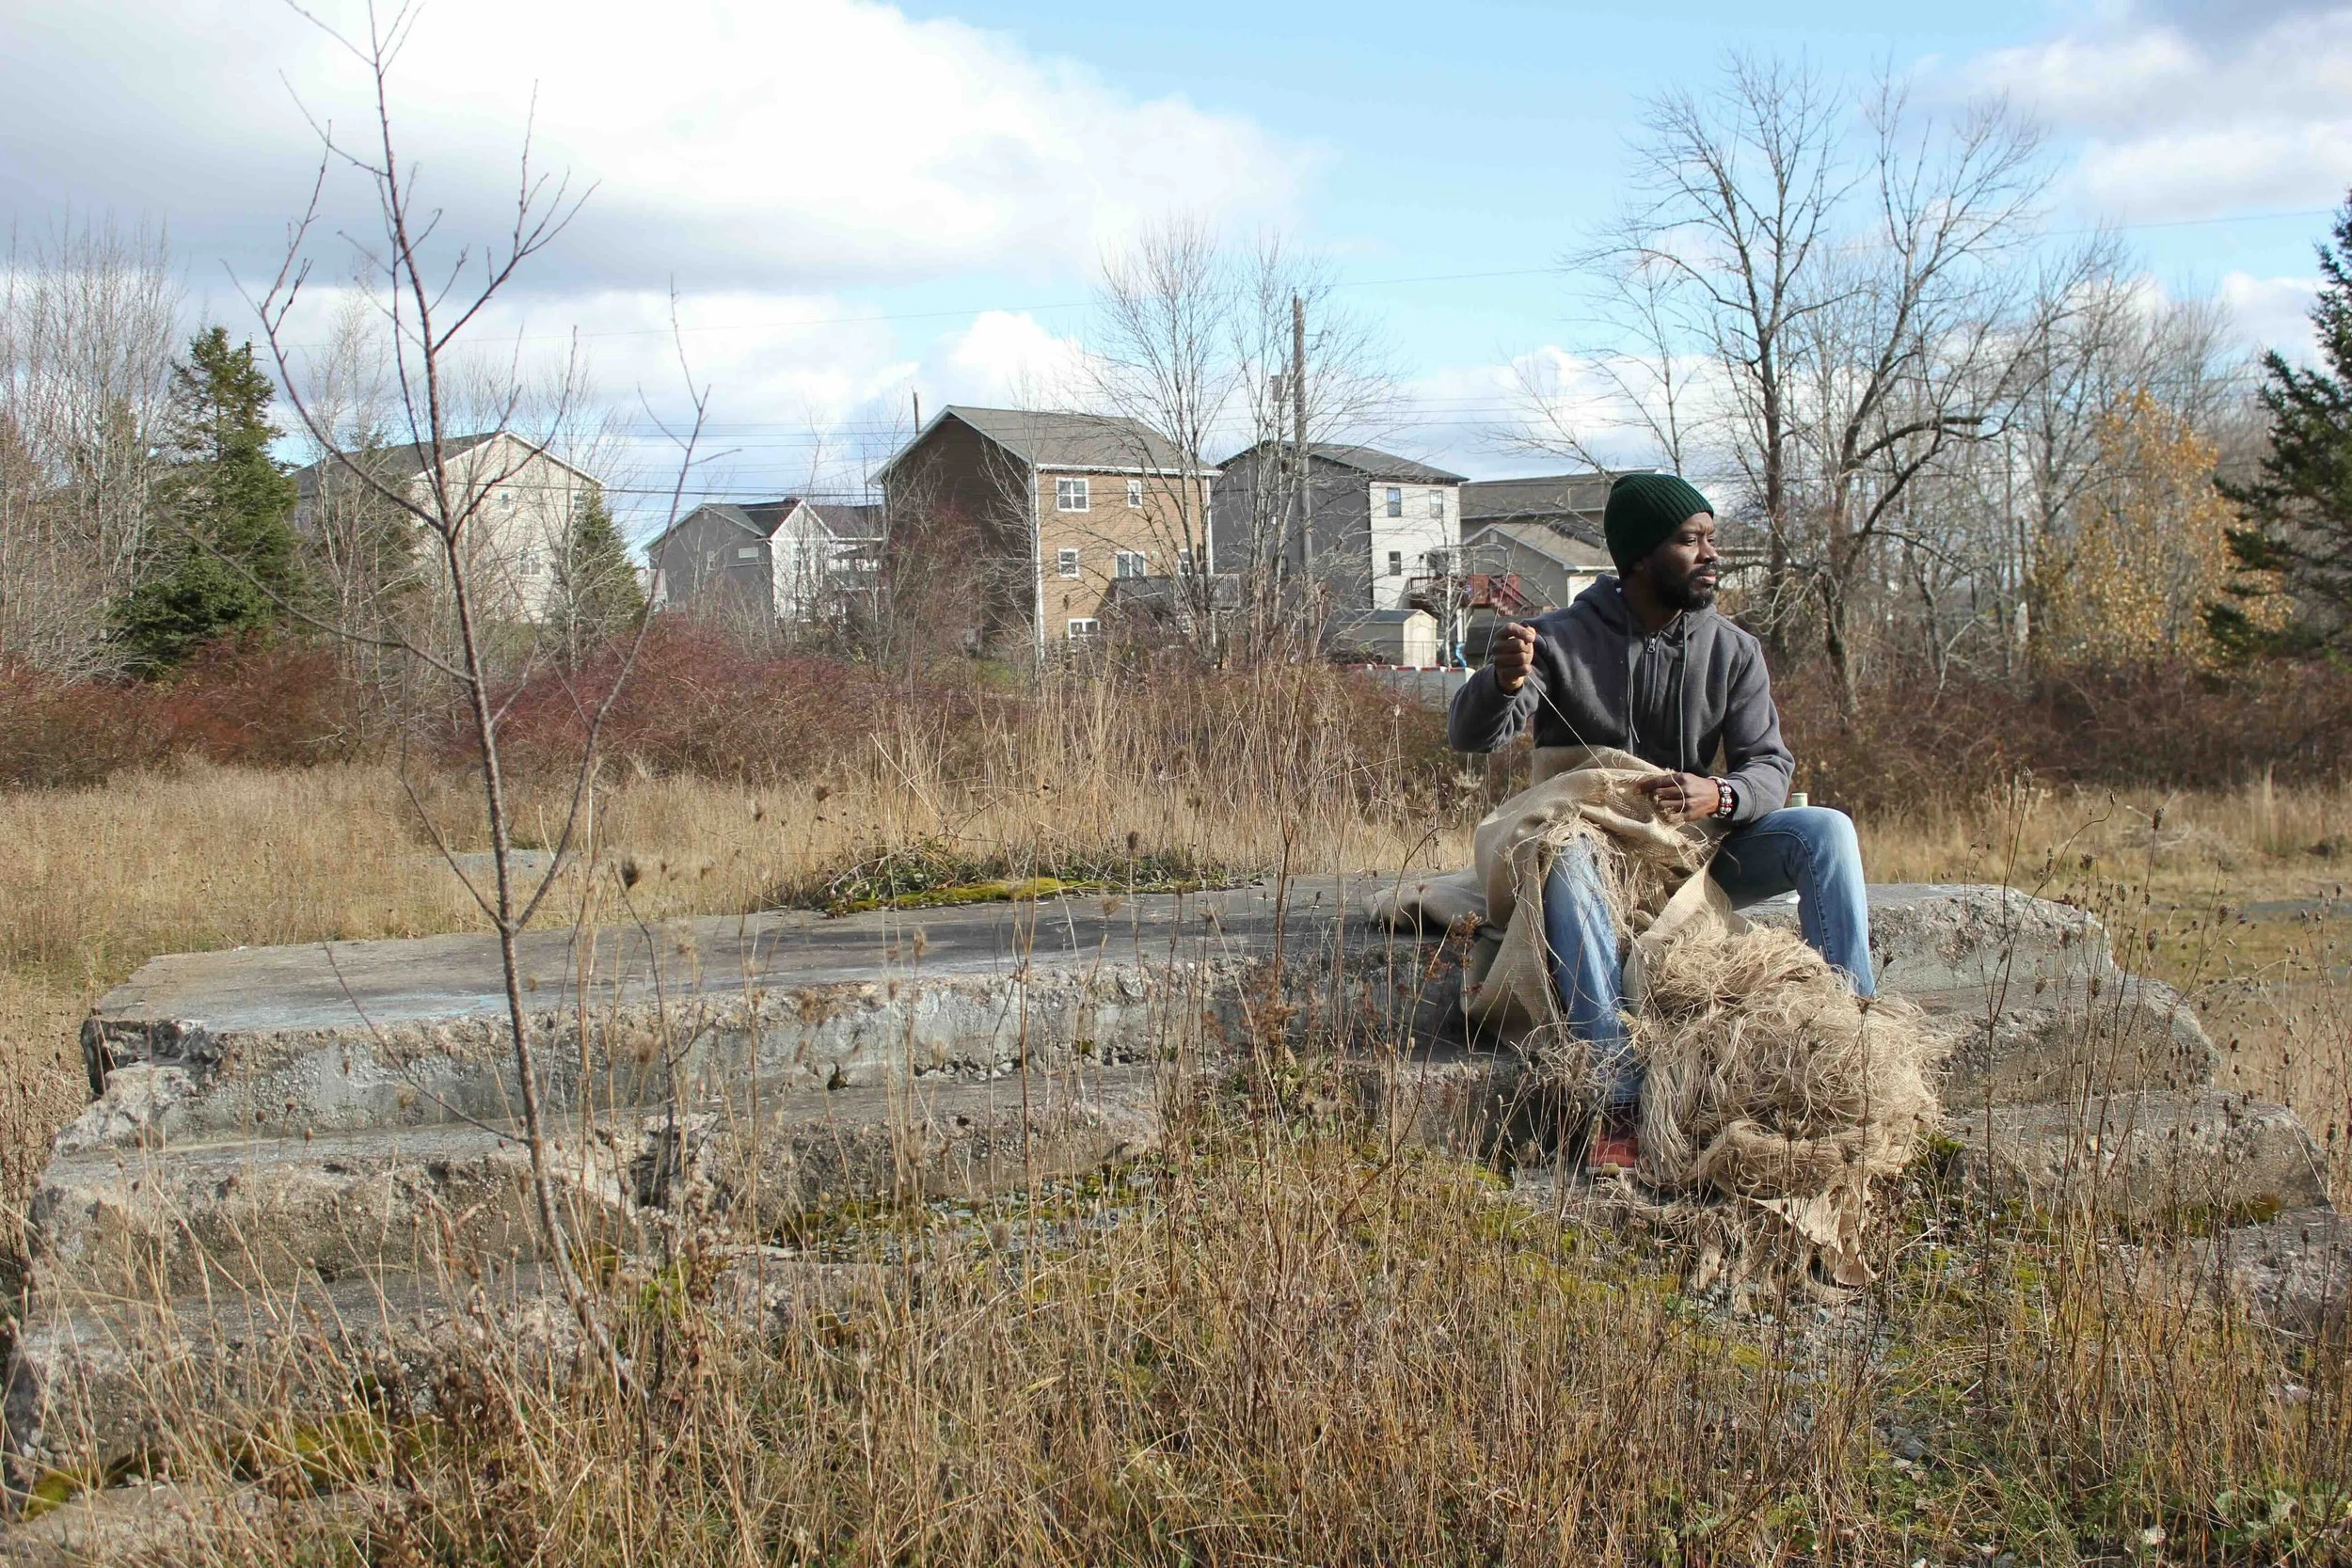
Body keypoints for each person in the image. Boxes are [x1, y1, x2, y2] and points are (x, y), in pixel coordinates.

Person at [1447, 472, 1874, 1174]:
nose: (1711, 554)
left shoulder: (1732, 650)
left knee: (1826, 830)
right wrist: (1502, 684)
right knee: (1563, 851)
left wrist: (1721, 794)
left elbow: (1770, 766)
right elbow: (1474, 737)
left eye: (1712, 538)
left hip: (1694, 854)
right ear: (1640, 557)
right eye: (1690, 540)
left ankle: (1850, 1043)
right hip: (1595, 848)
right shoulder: (1555, 641)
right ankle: (1618, 1094)